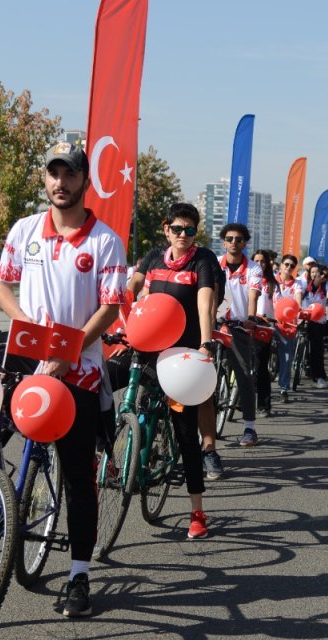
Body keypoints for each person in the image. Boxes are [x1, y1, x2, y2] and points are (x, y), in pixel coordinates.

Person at [0, 142, 126, 617]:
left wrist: (67, 353)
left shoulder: (105, 241)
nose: (60, 183)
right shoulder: (25, 229)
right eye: (53, 174)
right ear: (45, 179)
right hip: (27, 360)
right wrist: (27, 327)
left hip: (81, 373)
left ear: (83, 181)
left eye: (69, 174)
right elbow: (1, 285)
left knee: (77, 476)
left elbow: (110, 306)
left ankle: (78, 575)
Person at [130, 203, 220, 532]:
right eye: (178, 229)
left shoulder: (203, 259)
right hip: (148, 345)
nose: (183, 235)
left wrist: (206, 342)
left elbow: (205, 300)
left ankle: (197, 511)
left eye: (190, 230)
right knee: (107, 387)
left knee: (185, 433)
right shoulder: (153, 257)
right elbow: (133, 287)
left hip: (182, 354)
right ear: (166, 229)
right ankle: (111, 457)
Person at [218, 222, 263, 447]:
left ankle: (249, 428)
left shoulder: (254, 268)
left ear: (245, 243)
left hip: (239, 326)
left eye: (239, 239)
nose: (234, 242)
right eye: (230, 238)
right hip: (214, 325)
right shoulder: (215, 264)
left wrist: (251, 318)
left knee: (244, 373)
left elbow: (253, 296)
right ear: (224, 242)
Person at [252, 250, 280, 417]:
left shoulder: (272, 284)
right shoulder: (246, 279)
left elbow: (278, 305)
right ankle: (237, 398)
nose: (259, 264)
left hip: (264, 326)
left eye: (262, 261)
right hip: (245, 323)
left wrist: (274, 318)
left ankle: (264, 405)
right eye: (256, 260)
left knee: (261, 366)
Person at [298, 262, 328, 388]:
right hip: (302, 317)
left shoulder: (327, 285)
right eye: (314, 272)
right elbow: (297, 295)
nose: (318, 276)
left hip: (318, 320)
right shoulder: (303, 283)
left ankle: (320, 376)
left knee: (317, 349)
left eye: (319, 273)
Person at [274, 254, 302, 402]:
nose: (288, 267)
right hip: (270, 321)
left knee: (286, 357)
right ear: (281, 265)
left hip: (287, 325)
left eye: (292, 266)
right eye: (286, 264)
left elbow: (297, 302)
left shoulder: (297, 285)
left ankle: (284, 388)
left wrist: (297, 310)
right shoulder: (272, 280)